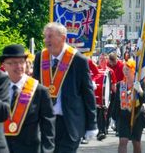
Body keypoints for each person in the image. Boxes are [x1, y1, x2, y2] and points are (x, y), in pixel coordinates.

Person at [33, 22, 97, 152]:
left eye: (50, 36)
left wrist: (92, 124)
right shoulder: (40, 57)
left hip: (69, 123)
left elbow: (87, 93)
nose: (46, 40)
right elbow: (35, 89)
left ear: (62, 38)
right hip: (45, 122)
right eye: (45, 37)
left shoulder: (78, 60)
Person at [0, 44, 55, 153]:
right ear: (4, 65)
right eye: (13, 63)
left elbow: (48, 126)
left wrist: (47, 150)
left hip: (30, 148)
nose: (19, 66)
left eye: (21, 62)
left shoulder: (40, 91)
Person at [112, 59, 145, 153]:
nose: (125, 72)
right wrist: (113, 118)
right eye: (124, 69)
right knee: (122, 141)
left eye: (127, 69)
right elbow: (116, 102)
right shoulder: (120, 85)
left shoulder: (140, 83)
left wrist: (140, 91)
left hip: (137, 116)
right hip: (123, 116)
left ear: (133, 70)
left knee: (136, 143)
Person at [94, 53, 117, 141]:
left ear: (107, 60)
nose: (102, 60)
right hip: (95, 98)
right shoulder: (94, 69)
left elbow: (113, 86)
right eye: (100, 59)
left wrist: (111, 97)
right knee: (97, 114)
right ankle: (99, 130)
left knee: (103, 115)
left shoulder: (110, 71)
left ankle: (102, 131)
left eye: (104, 59)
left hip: (105, 98)